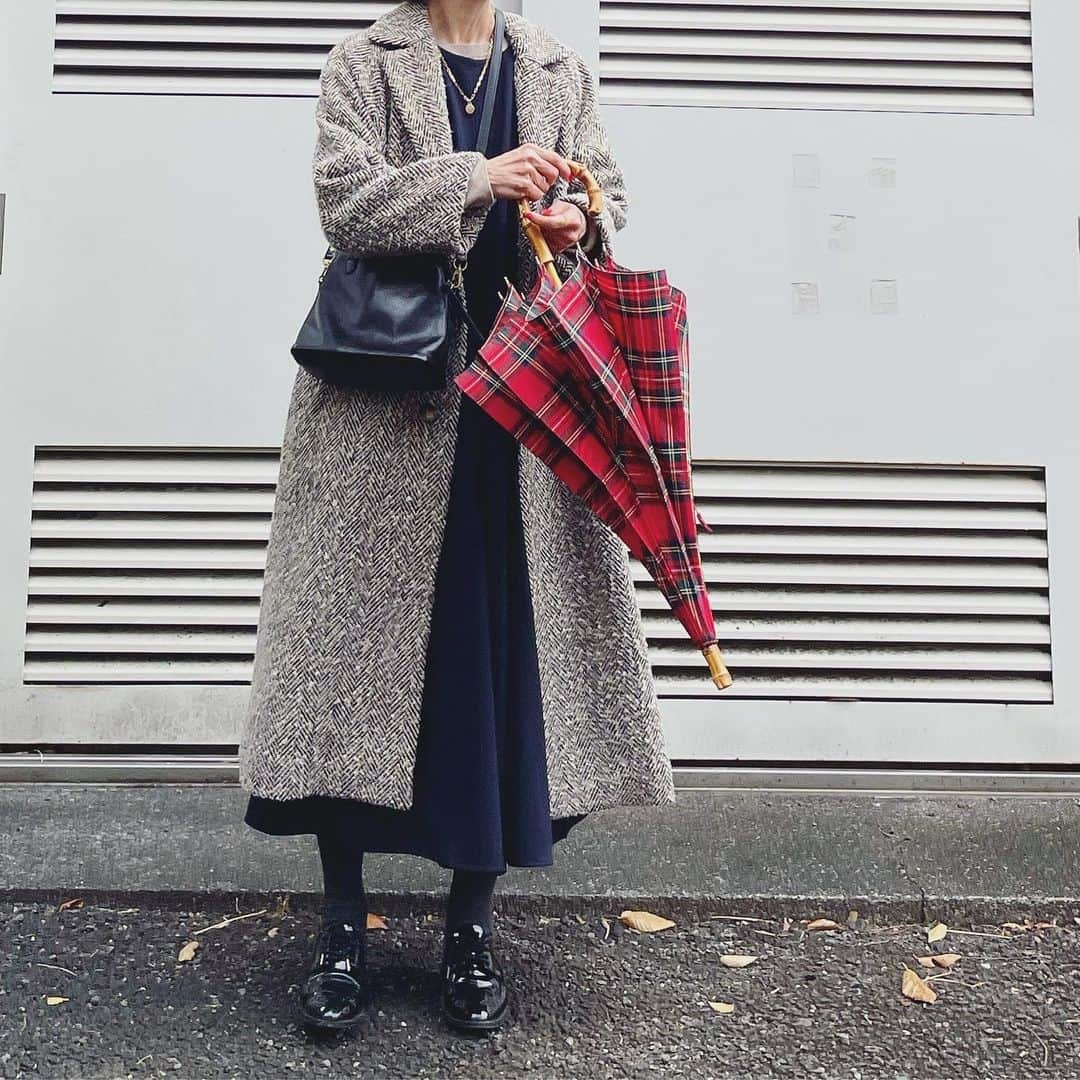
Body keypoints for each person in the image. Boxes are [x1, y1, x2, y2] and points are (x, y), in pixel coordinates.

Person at [237, 0, 675, 1034]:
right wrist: (478, 178)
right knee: (347, 678)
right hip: (383, 414)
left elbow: (601, 191)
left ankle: (470, 929)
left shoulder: (560, 68)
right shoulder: (364, 60)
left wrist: (578, 218)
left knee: (501, 677)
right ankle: (343, 928)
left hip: (516, 420)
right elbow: (346, 204)